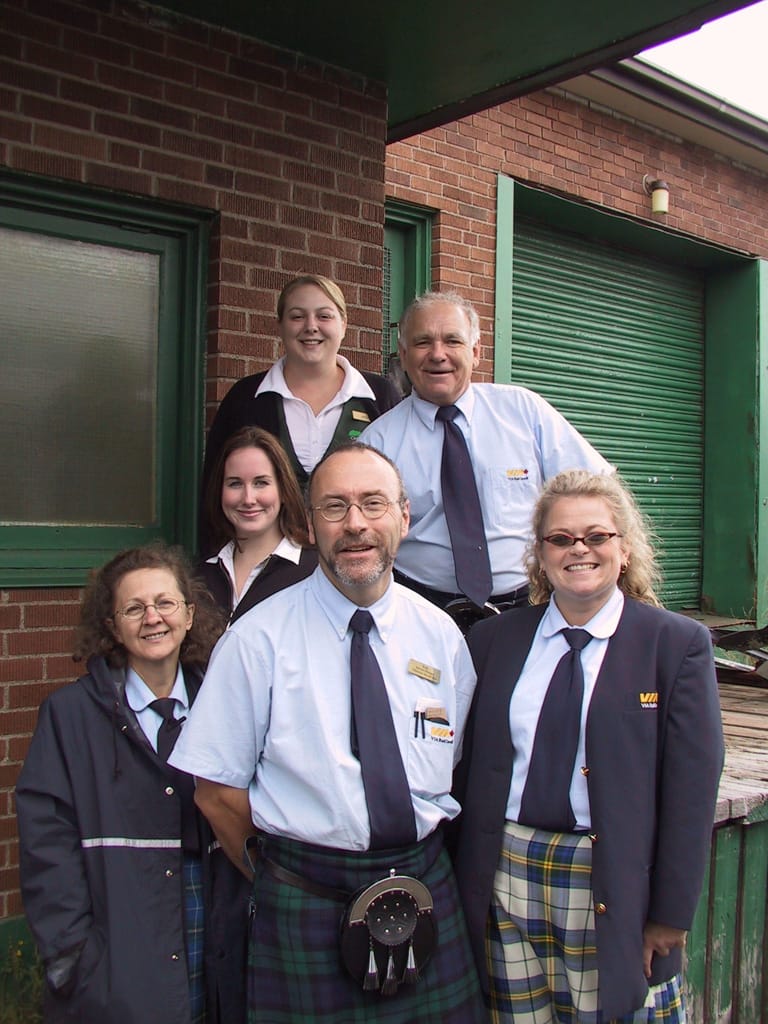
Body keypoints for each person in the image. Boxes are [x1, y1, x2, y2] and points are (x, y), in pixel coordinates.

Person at [170, 443, 486, 1023]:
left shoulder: (442, 636)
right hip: (304, 900)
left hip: (426, 888)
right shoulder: (257, 640)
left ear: (404, 517)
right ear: (311, 525)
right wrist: (280, 881)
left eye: (373, 503)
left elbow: (454, 762)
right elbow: (215, 792)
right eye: (335, 507)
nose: (356, 523)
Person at [452, 470, 724, 1022]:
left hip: (614, 882)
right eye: (561, 538)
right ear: (541, 554)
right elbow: (464, 766)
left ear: (625, 550)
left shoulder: (674, 645)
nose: (579, 549)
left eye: (597, 536)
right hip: (507, 871)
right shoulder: (492, 640)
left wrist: (670, 915)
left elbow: (691, 793)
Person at [15, 543, 247, 1024]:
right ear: (112, 625)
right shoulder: (70, 716)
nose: (152, 618)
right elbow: (47, 845)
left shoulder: (226, 704)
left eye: (165, 603)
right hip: (118, 956)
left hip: (216, 938)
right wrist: (72, 959)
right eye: (134, 608)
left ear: (189, 615)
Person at [359, 290, 611, 617]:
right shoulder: (376, 443)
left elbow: (596, 492)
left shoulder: (524, 411)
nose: (438, 354)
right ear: (404, 355)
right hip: (420, 609)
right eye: (423, 343)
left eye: (453, 341)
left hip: (532, 604)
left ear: (476, 352)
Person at [199, 274, 400, 554]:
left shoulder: (380, 397)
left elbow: (399, 489)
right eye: (297, 317)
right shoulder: (245, 398)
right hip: (263, 568)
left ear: (343, 325)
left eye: (324, 316)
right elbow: (214, 493)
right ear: (280, 326)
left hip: (356, 561)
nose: (311, 326)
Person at [200, 425, 317, 624]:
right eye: (235, 483)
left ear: (283, 490)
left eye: (261, 483)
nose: (248, 499)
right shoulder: (200, 576)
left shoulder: (316, 572)